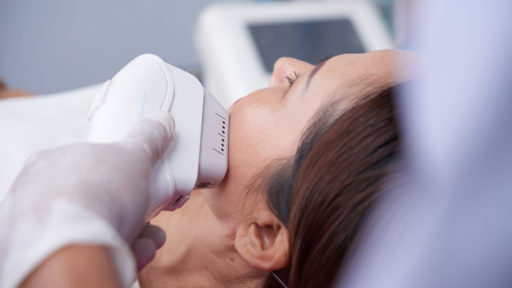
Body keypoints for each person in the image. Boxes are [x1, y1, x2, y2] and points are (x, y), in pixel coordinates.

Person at [0, 50, 416, 287]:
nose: (282, 64)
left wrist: (66, 227)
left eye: (294, 87)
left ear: (264, 233)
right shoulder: (154, 118)